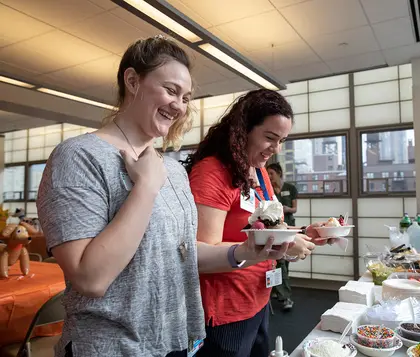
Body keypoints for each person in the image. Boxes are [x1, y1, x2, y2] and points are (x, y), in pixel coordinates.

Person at [36, 36, 291, 357]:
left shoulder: (172, 170)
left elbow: (182, 254)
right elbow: (90, 278)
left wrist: (244, 252)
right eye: (170, 90)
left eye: (185, 97)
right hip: (112, 347)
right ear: (132, 80)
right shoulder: (79, 156)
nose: (179, 105)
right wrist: (144, 188)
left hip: (175, 342)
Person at [183, 89, 329, 357]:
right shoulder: (213, 172)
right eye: (270, 138)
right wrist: (283, 245)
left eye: (283, 140)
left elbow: (269, 228)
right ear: (243, 130)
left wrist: (307, 233)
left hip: (259, 295)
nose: (276, 149)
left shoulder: (259, 171)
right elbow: (200, 253)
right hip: (226, 306)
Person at [267, 162, 297, 310]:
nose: (270, 177)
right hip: (274, 229)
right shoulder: (268, 190)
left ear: (279, 173)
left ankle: (279, 291)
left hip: (288, 227)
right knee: (280, 263)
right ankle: (284, 296)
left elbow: (295, 209)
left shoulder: (290, 188)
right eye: (268, 174)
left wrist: (286, 209)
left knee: (284, 263)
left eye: (271, 173)